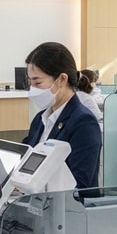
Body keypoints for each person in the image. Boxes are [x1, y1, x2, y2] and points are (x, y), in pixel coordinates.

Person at [22, 42, 102, 190]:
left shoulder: (83, 122)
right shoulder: (40, 119)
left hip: (68, 208)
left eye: (37, 82)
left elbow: (81, 184)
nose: (32, 89)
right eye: (30, 82)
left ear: (62, 80)